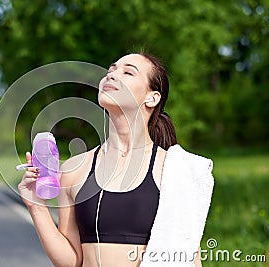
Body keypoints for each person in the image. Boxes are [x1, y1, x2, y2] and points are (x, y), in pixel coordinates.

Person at [18, 53, 214, 267]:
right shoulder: (74, 169)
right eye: (111, 70)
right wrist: (36, 205)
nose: (111, 75)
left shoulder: (176, 170)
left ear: (152, 97)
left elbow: (188, 255)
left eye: (128, 72)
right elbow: (70, 261)